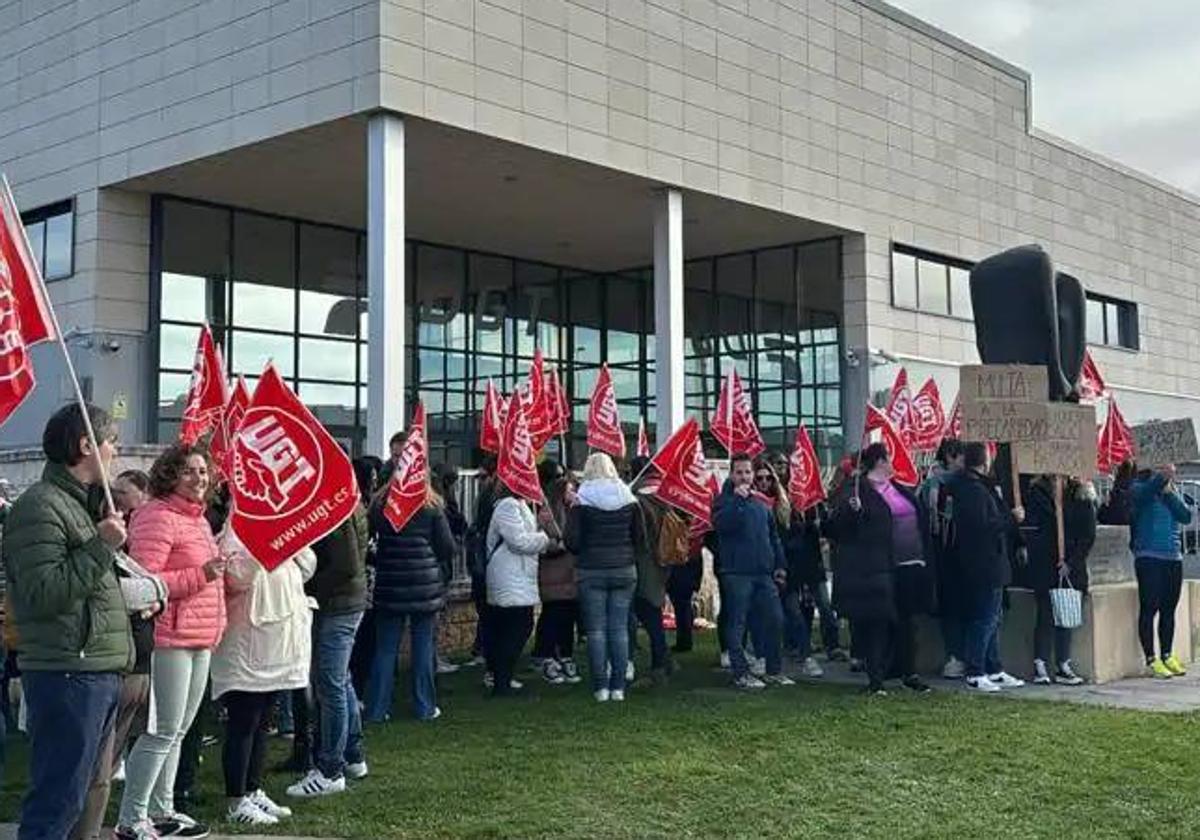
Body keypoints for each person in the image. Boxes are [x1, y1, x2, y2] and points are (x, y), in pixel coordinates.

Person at [3, 404, 132, 840]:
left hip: (95, 668)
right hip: (68, 672)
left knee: (81, 797)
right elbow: (44, 593)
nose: (116, 450)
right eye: (110, 440)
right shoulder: (40, 507)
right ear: (85, 446)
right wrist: (101, 547)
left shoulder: (82, 506)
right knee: (57, 800)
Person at [117, 443, 228, 840]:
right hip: (170, 637)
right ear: (169, 476)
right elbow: (143, 583)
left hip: (200, 636)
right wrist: (202, 575)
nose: (199, 478)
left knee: (178, 731)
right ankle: (131, 819)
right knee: (162, 730)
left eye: (203, 471)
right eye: (189, 471)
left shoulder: (197, 520)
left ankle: (163, 810)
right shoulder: (157, 516)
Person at [73, 470, 167, 840]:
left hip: (133, 666)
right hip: (100, 669)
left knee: (103, 776)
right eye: (115, 511)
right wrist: (151, 594)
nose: (123, 519)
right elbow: (120, 594)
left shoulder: (120, 551)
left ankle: (90, 833)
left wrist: (155, 595)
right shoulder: (93, 548)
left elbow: (155, 586)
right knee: (86, 775)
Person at [211, 532, 313, 824]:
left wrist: (295, 541)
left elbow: (306, 569)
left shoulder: (282, 528)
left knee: (263, 722)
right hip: (247, 646)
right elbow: (236, 578)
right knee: (244, 722)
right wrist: (265, 544)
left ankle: (253, 788)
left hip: (276, 647)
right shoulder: (234, 534)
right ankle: (235, 799)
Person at [827, 444, 934, 695]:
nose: (893, 462)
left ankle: (909, 672)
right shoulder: (855, 490)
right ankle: (876, 678)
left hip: (909, 565)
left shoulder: (898, 489)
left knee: (907, 622)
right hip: (877, 568)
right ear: (880, 461)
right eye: (889, 458)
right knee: (878, 624)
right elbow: (836, 527)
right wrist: (852, 512)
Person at [288, 503, 370, 799]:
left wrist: (307, 587)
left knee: (330, 685)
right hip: (345, 601)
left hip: (338, 604)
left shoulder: (336, 507)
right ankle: (353, 755)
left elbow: (345, 565)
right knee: (340, 680)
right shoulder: (345, 501)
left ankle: (330, 770)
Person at [365, 468, 456, 722]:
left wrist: (380, 558)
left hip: (389, 584)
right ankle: (424, 706)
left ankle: (377, 708)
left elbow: (367, 541)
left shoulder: (381, 506)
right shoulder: (431, 506)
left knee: (385, 649)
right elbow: (447, 547)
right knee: (423, 647)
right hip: (425, 586)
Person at [945, 443, 1026, 694]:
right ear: (984, 460)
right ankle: (976, 670)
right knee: (985, 618)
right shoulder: (972, 490)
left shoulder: (981, 487)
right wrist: (1011, 519)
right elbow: (983, 526)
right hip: (983, 562)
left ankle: (993, 667)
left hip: (991, 560)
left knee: (994, 618)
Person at [565, 453, 645, 702]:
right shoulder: (629, 498)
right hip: (624, 569)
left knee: (597, 631)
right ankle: (619, 686)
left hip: (592, 570)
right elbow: (640, 538)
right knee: (620, 628)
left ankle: (601, 687)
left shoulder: (582, 500)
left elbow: (572, 542)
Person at [712, 453, 793, 691]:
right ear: (732, 474)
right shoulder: (723, 501)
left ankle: (773, 670)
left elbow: (773, 536)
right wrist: (737, 502)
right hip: (736, 573)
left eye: (748, 472)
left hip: (764, 573)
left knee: (775, 619)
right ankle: (741, 673)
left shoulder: (761, 502)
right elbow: (723, 526)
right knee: (737, 623)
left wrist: (780, 565)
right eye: (739, 472)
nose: (745, 476)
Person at [1024, 476, 1096, 685]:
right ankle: (1040, 663)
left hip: (1071, 567)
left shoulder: (1081, 493)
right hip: (1046, 565)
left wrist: (1070, 562)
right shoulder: (1038, 492)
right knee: (1045, 615)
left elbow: (1088, 535)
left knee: (1067, 613)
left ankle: (1063, 663)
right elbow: (1034, 529)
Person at [486, 482, 554, 697]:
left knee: (513, 628)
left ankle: (504, 678)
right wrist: (545, 538)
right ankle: (501, 682)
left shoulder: (520, 505)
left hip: (518, 574)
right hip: (509, 575)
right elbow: (519, 541)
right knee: (517, 627)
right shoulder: (507, 506)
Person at [1130, 463, 1191, 678]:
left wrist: (1168, 493)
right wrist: (1159, 480)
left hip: (1173, 557)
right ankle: (1151, 658)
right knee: (1150, 607)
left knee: (1169, 609)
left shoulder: (1170, 490)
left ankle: (1167, 654)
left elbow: (1185, 516)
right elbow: (1142, 496)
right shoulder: (1139, 486)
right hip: (1148, 556)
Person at [918, 439, 967, 678]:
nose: (964, 461)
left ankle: (958, 655)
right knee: (951, 609)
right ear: (950, 456)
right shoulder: (936, 485)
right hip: (944, 555)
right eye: (961, 456)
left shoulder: (934, 483)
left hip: (949, 554)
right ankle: (954, 656)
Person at [531, 473, 581, 685]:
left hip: (571, 574)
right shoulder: (546, 514)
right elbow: (541, 539)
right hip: (553, 572)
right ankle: (546, 655)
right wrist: (557, 545)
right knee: (553, 614)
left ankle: (565, 654)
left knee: (568, 615)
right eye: (570, 490)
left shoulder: (574, 514)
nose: (574, 494)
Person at [629, 456, 674, 685]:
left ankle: (660, 662)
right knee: (654, 610)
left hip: (644, 559)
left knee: (648, 612)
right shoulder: (667, 494)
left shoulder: (637, 499)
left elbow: (636, 534)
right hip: (666, 558)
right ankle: (663, 658)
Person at [466, 457, 500, 670]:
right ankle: (483, 649)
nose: (481, 481)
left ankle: (483, 648)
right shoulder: (487, 496)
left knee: (487, 609)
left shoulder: (491, 496)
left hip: (487, 559)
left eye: (484, 477)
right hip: (483, 559)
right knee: (486, 608)